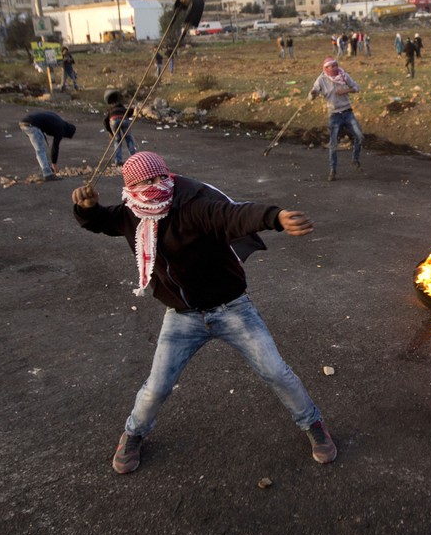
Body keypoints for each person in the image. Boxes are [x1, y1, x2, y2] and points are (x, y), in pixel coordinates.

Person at [71, 152, 337, 474]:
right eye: (145, 182)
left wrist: (275, 217)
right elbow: (100, 221)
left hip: (232, 308)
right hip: (182, 317)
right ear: (131, 188)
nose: (155, 186)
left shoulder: (191, 205)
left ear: (167, 177)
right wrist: (86, 209)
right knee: (157, 386)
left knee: (276, 371)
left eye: (159, 178)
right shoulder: (131, 215)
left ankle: (313, 424)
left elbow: (231, 215)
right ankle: (133, 433)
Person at [308, 57, 365, 182]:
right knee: (333, 144)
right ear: (326, 68)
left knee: (360, 136)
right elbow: (312, 95)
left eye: (335, 65)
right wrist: (312, 94)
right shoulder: (321, 80)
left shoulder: (343, 75)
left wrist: (346, 90)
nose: (334, 68)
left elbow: (357, 87)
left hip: (347, 112)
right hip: (334, 115)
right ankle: (332, 170)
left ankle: (355, 160)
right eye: (331, 66)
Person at [18, 111, 76, 181]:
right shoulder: (61, 128)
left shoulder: (58, 120)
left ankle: (47, 168)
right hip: (31, 125)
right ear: (67, 132)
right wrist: (54, 163)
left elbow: (44, 121)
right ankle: (48, 174)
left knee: (40, 146)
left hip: (24, 123)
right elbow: (55, 146)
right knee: (40, 150)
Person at [103, 92, 137, 166]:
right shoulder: (122, 108)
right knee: (128, 138)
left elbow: (105, 121)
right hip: (124, 119)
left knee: (117, 140)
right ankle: (134, 158)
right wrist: (134, 109)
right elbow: (129, 112)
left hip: (114, 120)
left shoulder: (110, 110)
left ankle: (118, 160)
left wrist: (110, 132)